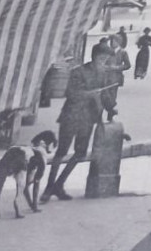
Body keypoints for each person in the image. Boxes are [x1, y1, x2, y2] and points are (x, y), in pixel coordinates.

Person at [42, 42, 116, 201]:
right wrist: (90, 94)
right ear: (95, 57)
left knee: (80, 153)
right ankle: (49, 188)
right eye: (102, 59)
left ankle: (59, 184)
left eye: (106, 60)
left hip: (88, 119)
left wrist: (111, 108)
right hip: (71, 116)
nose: (104, 62)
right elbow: (70, 93)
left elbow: (105, 94)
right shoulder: (79, 71)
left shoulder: (102, 74)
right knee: (61, 153)